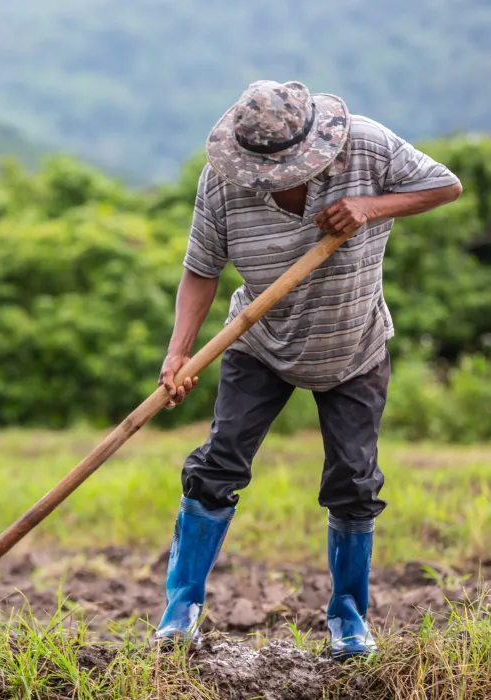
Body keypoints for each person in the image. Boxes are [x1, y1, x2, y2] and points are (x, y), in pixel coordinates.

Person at [153, 79, 463, 661]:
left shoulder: (367, 147)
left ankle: (348, 620)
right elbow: (201, 268)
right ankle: (180, 613)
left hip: (354, 344)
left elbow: (445, 186)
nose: (270, 181)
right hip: (258, 340)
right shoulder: (223, 181)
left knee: (353, 481)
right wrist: (179, 352)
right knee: (218, 465)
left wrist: (369, 207)